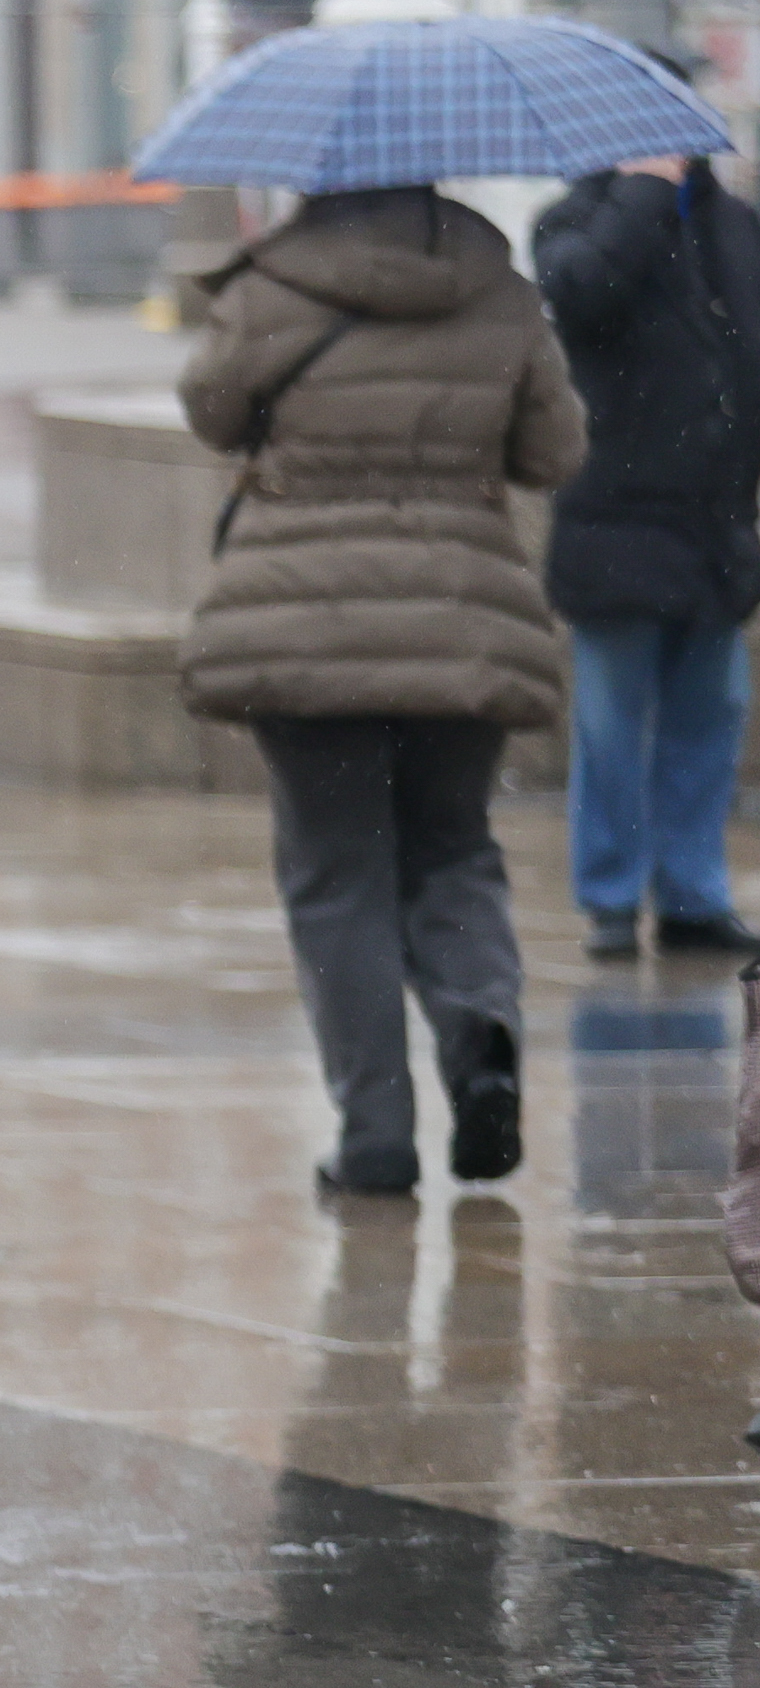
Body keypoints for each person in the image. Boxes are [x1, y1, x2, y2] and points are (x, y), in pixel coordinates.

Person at [179, 186, 587, 1196]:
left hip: (302, 617)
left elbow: (210, 411)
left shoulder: (274, 282)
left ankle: (373, 1133)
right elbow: (554, 451)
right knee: (452, 847)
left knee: (335, 874)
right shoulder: (499, 291)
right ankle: (479, 1036)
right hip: (460, 616)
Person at [530, 155, 760, 961]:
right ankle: (613, 896)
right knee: (611, 719)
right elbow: (579, 293)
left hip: (714, 522)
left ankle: (694, 892)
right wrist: (643, 193)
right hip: (617, 518)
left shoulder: (733, 226)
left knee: (713, 713)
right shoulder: (580, 220)